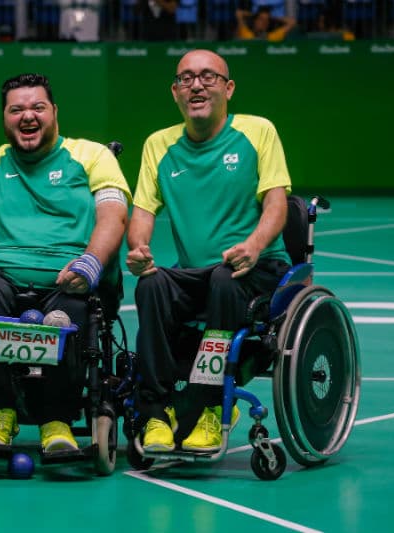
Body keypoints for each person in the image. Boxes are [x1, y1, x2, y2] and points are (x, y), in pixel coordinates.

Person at [0, 73, 130, 452]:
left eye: (37, 107)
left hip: (70, 277)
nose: (27, 117)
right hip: (0, 274)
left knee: (74, 306)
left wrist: (91, 263)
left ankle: (57, 419)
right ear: (4, 116)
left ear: (54, 112)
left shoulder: (92, 156)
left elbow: (113, 215)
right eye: (16, 109)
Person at [126, 49, 292, 453]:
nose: (196, 85)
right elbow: (142, 213)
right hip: (197, 275)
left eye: (208, 77)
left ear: (229, 88)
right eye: (186, 79)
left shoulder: (257, 131)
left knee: (223, 278)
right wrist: (138, 250)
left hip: (258, 268)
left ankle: (210, 408)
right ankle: (155, 413)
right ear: (175, 92)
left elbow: (276, 203)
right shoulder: (159, 145)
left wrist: (253, 246)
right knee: (152, 285)